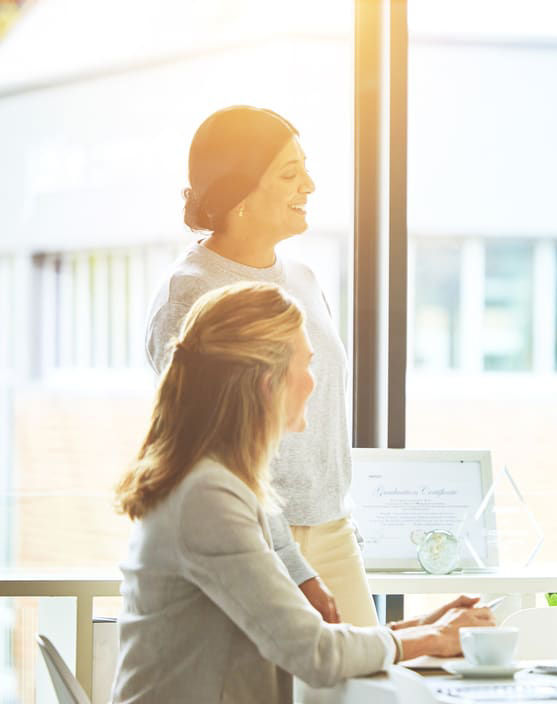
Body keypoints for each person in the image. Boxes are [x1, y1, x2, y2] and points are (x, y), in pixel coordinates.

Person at [113, 282, 494, 702]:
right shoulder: (208, 498)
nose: (314, 384)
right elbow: (314, 653)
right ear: (266, 382)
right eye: (308, 365)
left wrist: (423, 628)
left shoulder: (212, 483)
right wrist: (434, 638)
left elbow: (302, 635)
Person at [147, 105, 370, 625]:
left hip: (333, 531)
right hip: (246, 536)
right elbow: (206, 452)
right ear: (238, 193)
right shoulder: (193, 294)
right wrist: (292, 564)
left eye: (306, 168)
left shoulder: (305, 280)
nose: (309, 185)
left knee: (368, 685)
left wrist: (336, 522)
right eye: (290, 174)